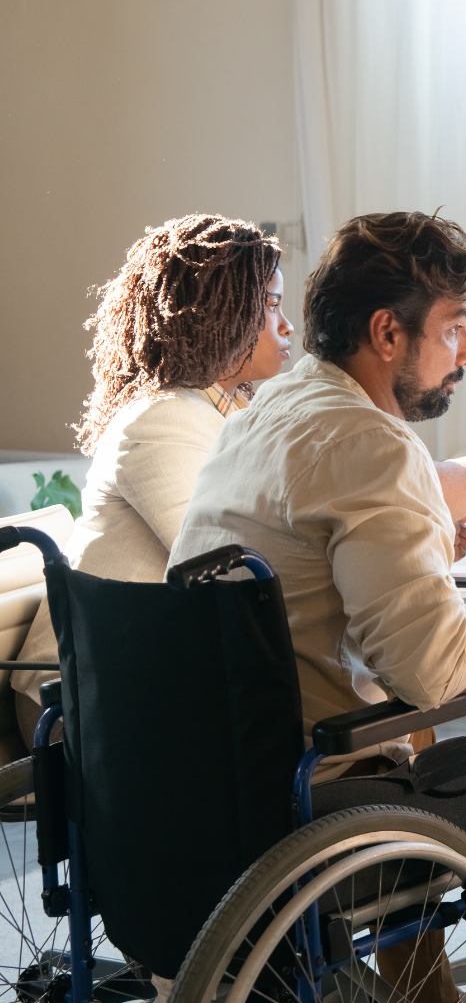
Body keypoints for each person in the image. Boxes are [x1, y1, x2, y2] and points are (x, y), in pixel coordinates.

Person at [169, 210, 466, 1003]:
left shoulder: (258, 417)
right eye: (454, 327)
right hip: (302, 791)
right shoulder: (372, 445)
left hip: (196, 775)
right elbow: (431, 669)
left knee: (410, 785)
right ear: (388, 333)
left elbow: (313, 566)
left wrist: (432, 534)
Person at [14, 215, 293, 743]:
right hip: (74, 699)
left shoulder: (226, 414)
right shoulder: (160, 419)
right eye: (273, 304)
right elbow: (220, 566)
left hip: (141, 671)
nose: (288, 326)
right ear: (220, 312)